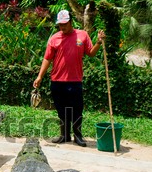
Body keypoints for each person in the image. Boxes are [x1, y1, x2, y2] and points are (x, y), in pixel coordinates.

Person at [33, 9, 105, 147]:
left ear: (71, 22)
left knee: (77, 109)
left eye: (65, 24)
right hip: (57, 81)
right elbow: (47, 58)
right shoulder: (54, 38)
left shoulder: (82, 35)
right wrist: (40, 76)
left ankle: (78, 136)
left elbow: (90, 53)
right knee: (61, 109)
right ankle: (64, 135)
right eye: (60, 24)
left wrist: (98, 43)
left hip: (75, 80)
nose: (62, 27)